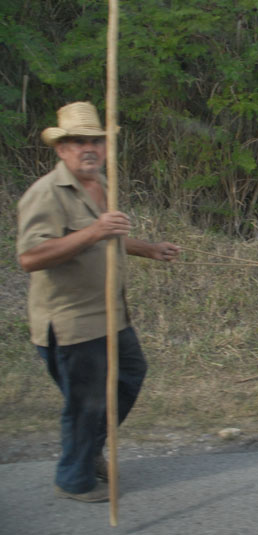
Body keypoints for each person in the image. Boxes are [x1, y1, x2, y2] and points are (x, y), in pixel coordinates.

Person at [16, 101, 180, 503]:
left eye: (96, 140)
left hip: (110, 312)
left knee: (130, 374)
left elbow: (109, 236)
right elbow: (30, 257)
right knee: (86, 404)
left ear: (106, 146)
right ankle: (74, 480)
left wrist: (149, 248)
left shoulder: (103, 183)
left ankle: (86, 450)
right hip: (70, 321)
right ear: (61, 148)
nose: (88, 148)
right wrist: (93, 232)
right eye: (77, 142)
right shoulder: (46, 194)